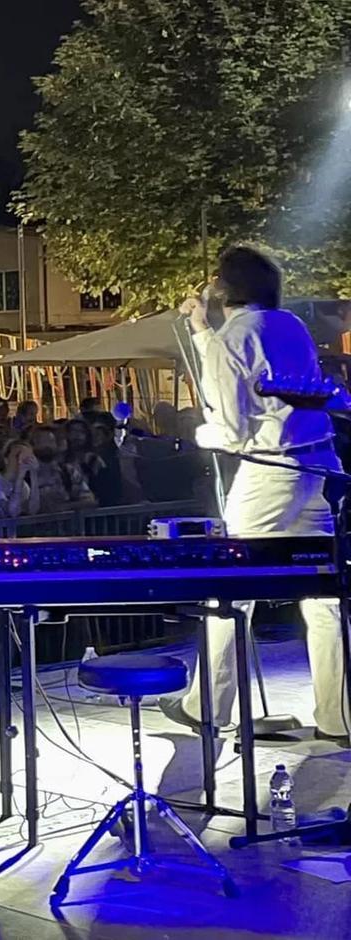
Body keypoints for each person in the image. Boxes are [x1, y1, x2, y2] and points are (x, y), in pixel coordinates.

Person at [161, 246, 350, 744]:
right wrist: (205, 332)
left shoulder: (231, 337)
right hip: (320, 467)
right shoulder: (289, 323)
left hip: (270, 473)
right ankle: (340, 717)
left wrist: (197, 435)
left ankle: (206, 707)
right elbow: (242, 365)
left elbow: (231, 429)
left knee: (229, 589)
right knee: (325, 596)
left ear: (223, 288)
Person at [0, 439, 41, 518]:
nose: (21, 461)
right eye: (17, 456)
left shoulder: (24, 486)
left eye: (26, 457)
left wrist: (33, 474)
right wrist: (21, 475)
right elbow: (10, 512)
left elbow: (32, 510)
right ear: (6, 460)